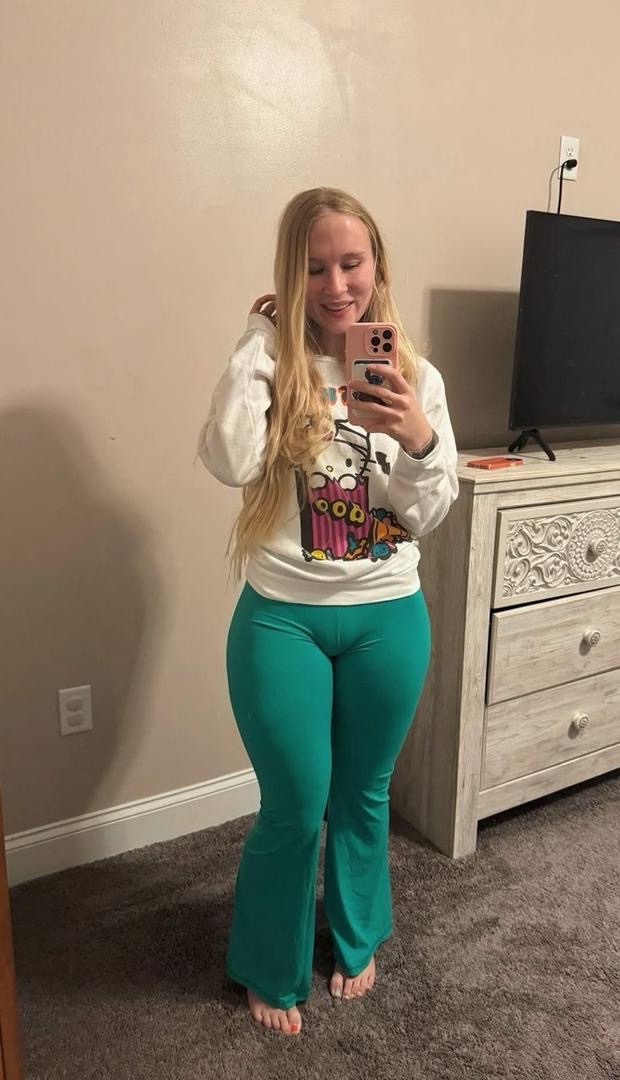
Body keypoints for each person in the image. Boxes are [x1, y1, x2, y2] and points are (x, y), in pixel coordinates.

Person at [196, 187, 459, 1036]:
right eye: (314, 268)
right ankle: (267, 964)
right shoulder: (273, 363)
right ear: (290, 275)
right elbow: (229, 458)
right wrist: (259, 340)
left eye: (351, 263)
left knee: (364, 792)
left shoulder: (415, 377)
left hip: (389, 614)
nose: (337, 285)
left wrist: (418, 437)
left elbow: (427, 512)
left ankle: (358, 932)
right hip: (283, 616)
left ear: (376, 265)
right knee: (294, 800)